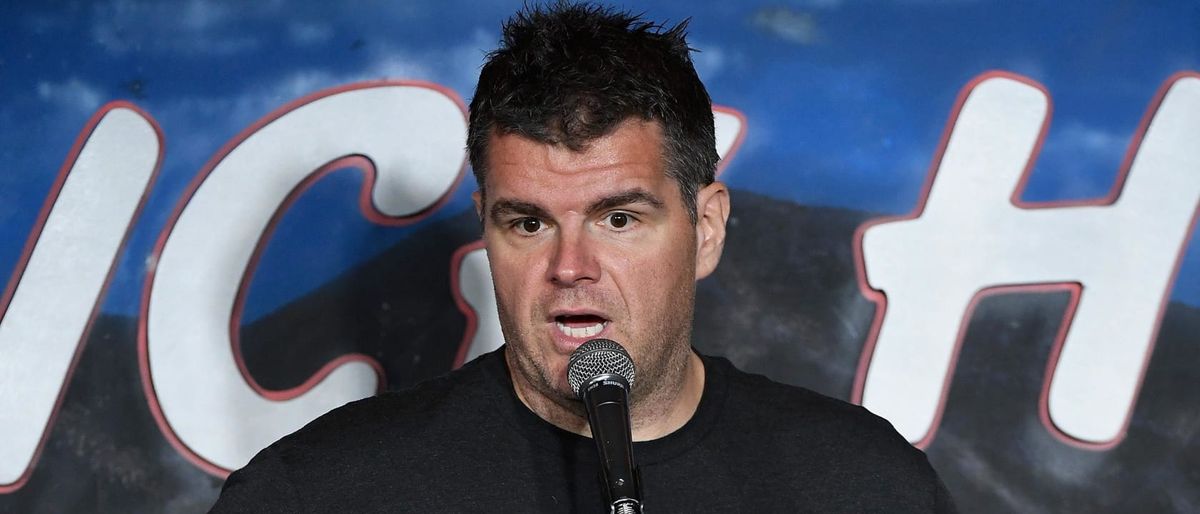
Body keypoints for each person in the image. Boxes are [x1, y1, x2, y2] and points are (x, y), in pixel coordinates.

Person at [211, 2, 957, 512]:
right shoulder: (320, 493)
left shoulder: (863, 484)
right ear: (486, 229)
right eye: (529, 224)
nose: (571, 266)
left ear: (705, 228)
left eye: (619, 218)